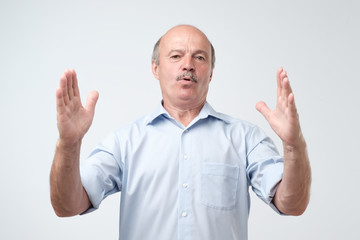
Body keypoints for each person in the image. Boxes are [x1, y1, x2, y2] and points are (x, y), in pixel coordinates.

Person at [50, 25, 311, 240]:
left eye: (199, 57)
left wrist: (293, 145)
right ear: (155, 68)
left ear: (210, 73)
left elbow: (292, 204)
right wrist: (69, 144)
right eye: (175, 56)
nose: (188, 65)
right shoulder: (125, 141)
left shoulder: (245, 139)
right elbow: (67, 206)